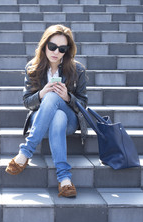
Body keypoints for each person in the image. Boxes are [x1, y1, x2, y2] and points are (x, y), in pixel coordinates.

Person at [5, 24, 88, 198]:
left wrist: (67, 97)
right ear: (44, 45)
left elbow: (83, 104)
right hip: (41, 119)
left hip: (69, 121)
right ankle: (64, 178)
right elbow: (27, 102)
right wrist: (42, 93)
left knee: (57, 106)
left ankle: (25, 152)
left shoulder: (77, 70)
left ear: (67, 51)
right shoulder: (33, 67)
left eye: (61, 48)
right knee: (52, 106)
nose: (55, 51)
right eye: (52, 46)